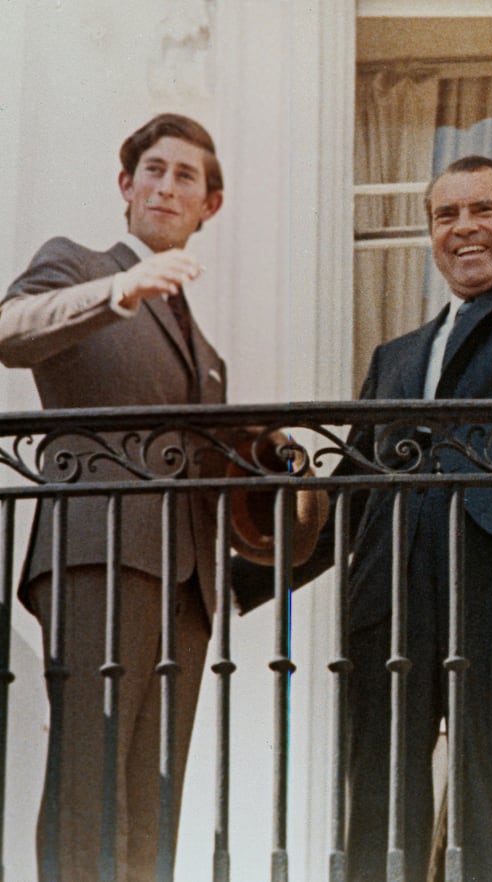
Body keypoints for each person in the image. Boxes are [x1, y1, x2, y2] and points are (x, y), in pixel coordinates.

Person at [264, 3, 492, 880]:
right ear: (429, 235)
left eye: (484, 211)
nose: (463, 226)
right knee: (377, 796)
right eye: (446, 214)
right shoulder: (394, 357)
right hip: (390, 590)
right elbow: (341, 499)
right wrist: (228, 568)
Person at [0, 113, 226, 881]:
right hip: (98, 554)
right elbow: (10, 330)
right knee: (89, 777)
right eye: (153, 171)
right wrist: (119, 290)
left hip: (189, 585)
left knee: (153, 796)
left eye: (185, 176)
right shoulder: (79, 265)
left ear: (209, 206)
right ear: (126, 186)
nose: (167, 186)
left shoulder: (209, 351)